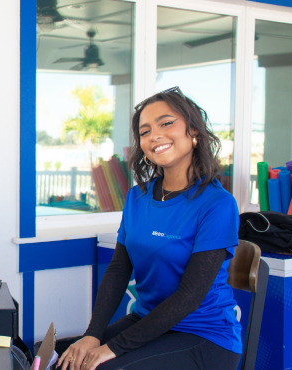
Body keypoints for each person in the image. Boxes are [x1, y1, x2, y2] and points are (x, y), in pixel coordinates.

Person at [57, 87, 242, 370]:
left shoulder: (217, 204)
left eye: (166, 123)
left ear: (193, 130)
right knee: (63, 358)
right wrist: (93, 335)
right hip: (149, 321)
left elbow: (189, 296)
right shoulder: (138, 196)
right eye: (144, 131)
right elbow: (119, 269)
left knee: (101, 367)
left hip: (204, 334)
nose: (154, 135)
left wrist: (113, 348)